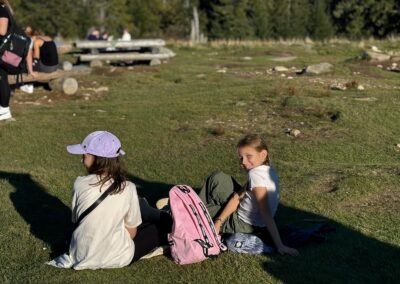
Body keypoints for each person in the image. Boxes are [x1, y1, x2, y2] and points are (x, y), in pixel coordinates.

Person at [47, 131, 172, 269]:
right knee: (157, 228)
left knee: (136, 218)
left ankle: (151, 211)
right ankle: (165, 215)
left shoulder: (79, 184)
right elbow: (131, 233)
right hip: (118, 257)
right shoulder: (128, 188)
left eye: (85, 153)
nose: (82, 158)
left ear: (98, 158)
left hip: (80, 255)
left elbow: (76, 220)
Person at [198, 134, 299, 256]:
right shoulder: (268, 170)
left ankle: (193, 217)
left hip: (244, 224)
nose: (243, 162)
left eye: (249, 156)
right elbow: (237, 197)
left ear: (263, 154)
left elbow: (265, 212)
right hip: (251, 219)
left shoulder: (255, 175)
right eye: (241, 157)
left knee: (199, 211)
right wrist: (219, 221)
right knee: (218, 178)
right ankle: (204, 210)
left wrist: (280, 245)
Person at [0, 1, 36, 120]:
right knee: (2, 78)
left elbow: (2, 31)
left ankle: (4, 110)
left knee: (2, 78)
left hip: (2, 51)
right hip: (3, 51)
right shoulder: (4, 9)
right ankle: (4, 110)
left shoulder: (2, 10)